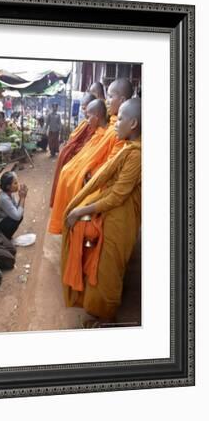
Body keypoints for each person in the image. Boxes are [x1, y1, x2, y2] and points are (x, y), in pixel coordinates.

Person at [61, 98, 141, 323]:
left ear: (133, 124)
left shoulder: (136, 154)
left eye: (121, 119)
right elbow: (107, 179)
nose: (115, 122)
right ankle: (98, 308)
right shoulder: (128, 148)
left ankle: (107, 318)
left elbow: (118, 196)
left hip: (120, 219)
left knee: (109, 271)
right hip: (114, 213)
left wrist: (81, 210)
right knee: (101, 265)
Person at [48, 78, 133, 234]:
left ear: (122, 100)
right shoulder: (114, 123)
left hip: (103, 181)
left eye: (109, 96)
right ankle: (63, 223)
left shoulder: (120, 130)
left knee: (72, 179)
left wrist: (91, 175)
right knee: (67, 172)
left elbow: (111, 162)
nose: (106, 101)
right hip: (96, 169)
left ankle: (70, 225)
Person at [50, 99, 105, 208]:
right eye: (83, 108)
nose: (85, 115)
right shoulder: (88, 125)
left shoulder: (104, 133)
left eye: (85, 109)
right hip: (53, 133)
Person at [0, 172, 28, 239]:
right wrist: (22, 198)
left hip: (4, 218)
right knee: (18, 218)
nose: (17, 185)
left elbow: (16, 208)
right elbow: (17, 216)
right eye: (15, 183)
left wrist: (21, 197)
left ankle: (6, 236)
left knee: (20, 215)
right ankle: (5, 237)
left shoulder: (9, 193)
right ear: (8, 186)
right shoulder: (3, 198)